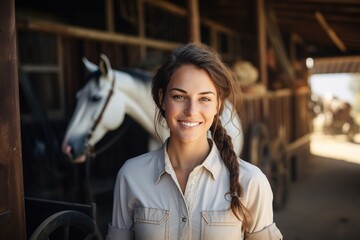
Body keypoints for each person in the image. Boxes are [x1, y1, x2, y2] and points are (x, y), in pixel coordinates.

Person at [106, 42, 283, 240]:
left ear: (219, 105)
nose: (191, 111)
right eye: (179, 97)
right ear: (162, 99)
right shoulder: (131, 176)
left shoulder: (251, 182)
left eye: (204, 99)